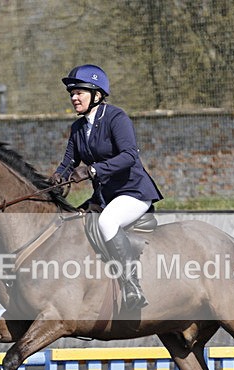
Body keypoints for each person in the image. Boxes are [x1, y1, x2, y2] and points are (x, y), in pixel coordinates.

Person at [52, 64, 163, 310]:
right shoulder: (78, 128)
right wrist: (57, 178)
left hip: (133, 192)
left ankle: (132, 285)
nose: (74, 97)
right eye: (72, 93)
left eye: (79, 92)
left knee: (106, 223)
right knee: (71, 222)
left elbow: (128, 156)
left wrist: (92, 170)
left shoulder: (116, 118)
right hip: (105, 196)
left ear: (97, 95)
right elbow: (69, 162)